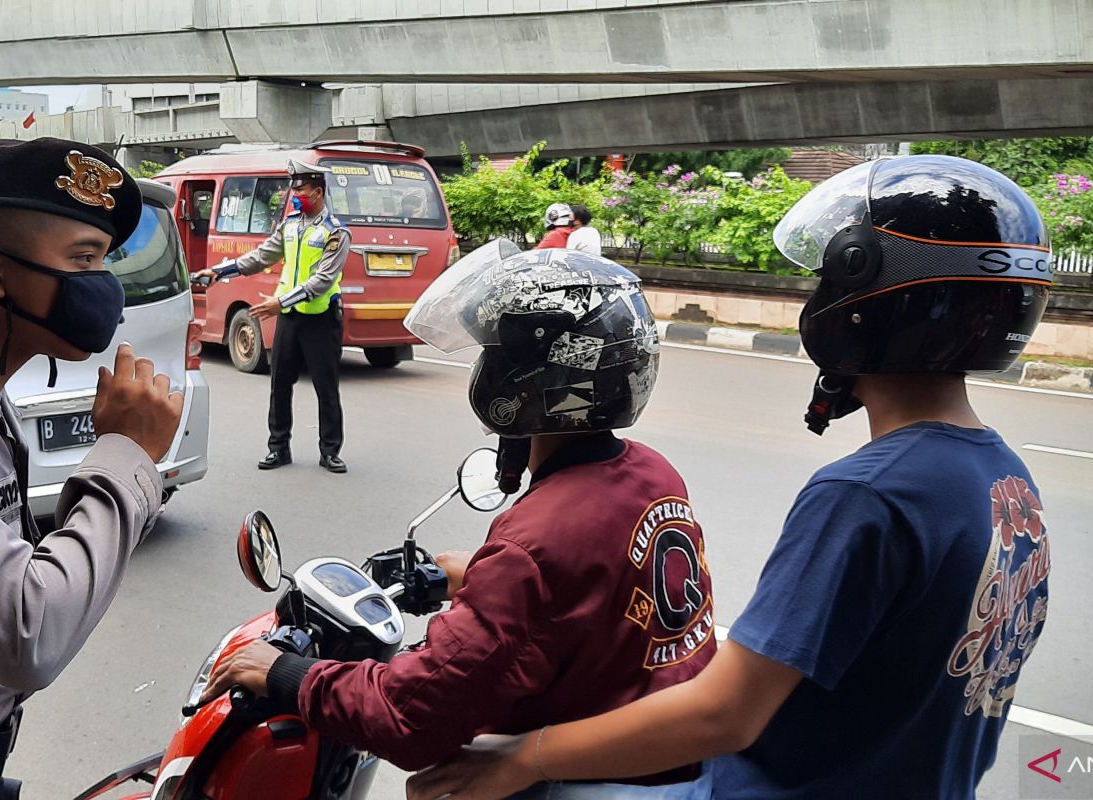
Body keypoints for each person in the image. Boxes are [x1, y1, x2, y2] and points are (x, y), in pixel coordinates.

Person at [406, 155, 1054, 800]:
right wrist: (483, 576)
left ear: (871, 295)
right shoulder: (1007, 483)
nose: (819, 296)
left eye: (829, 277)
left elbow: (725, 714)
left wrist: (526, 759)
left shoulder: (866, 496)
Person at [203, 243, 717, 791]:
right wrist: (479, 574)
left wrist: (282, 673)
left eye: (493, 356)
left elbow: (415, 715)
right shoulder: (653, 473)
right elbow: (597, 582)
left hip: (587, 781)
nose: (485, 367)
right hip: (662, 758)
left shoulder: (535, 543)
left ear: (526, 378)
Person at [0, 138, 183, 799]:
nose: (104, 285)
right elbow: (27, 633)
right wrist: (127, 457)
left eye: (105, 260)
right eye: (83, 260)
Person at [193, 159, 350, 474]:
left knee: (326, 387)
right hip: (289, 319)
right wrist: (220, 271)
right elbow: (261, 256)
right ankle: (278, 448)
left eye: (301, 188)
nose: (294, 192)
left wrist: (279, 302)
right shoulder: (290, 225)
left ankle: (330, 451)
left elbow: (321, 281)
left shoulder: (336, 233)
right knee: (280, 384)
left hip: (320, 319)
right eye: (294, 186)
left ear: (318, 192)